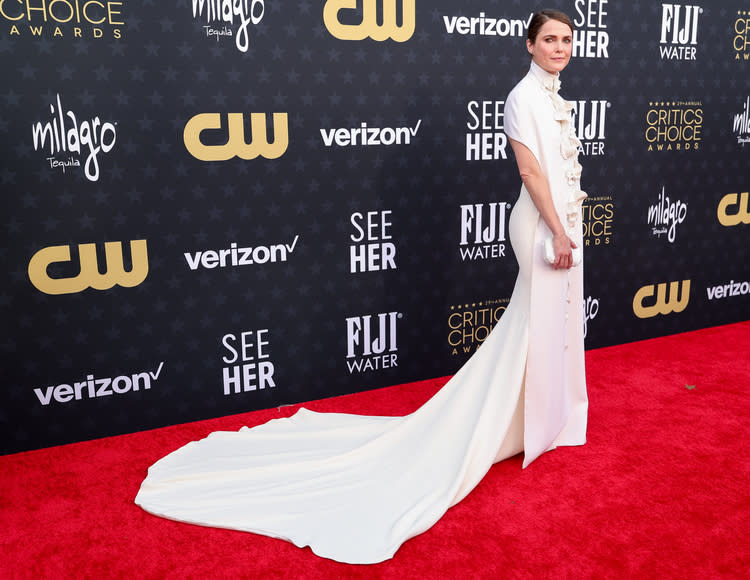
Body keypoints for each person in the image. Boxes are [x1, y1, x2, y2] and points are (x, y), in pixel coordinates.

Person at [134, 9, 587, 565]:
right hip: (543, 226)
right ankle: (511, 423)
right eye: (550, 39)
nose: (560, 47)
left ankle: (540, 418)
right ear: (529, 45)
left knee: (549, 326)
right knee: (533, 325)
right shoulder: (522, 96)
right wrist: (561, 230)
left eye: (567, 39)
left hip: (563, 224)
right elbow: (532, 173)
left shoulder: (555, 93)